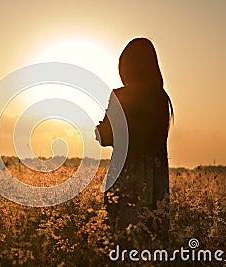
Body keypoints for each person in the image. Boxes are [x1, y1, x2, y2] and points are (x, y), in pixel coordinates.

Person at [95, 38, 173, 248]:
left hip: (125, 172)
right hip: (157, 178)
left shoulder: (120, 96)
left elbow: (106, 137)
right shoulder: (161, 98)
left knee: (120, 240)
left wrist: (99, 129)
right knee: (152, 241)